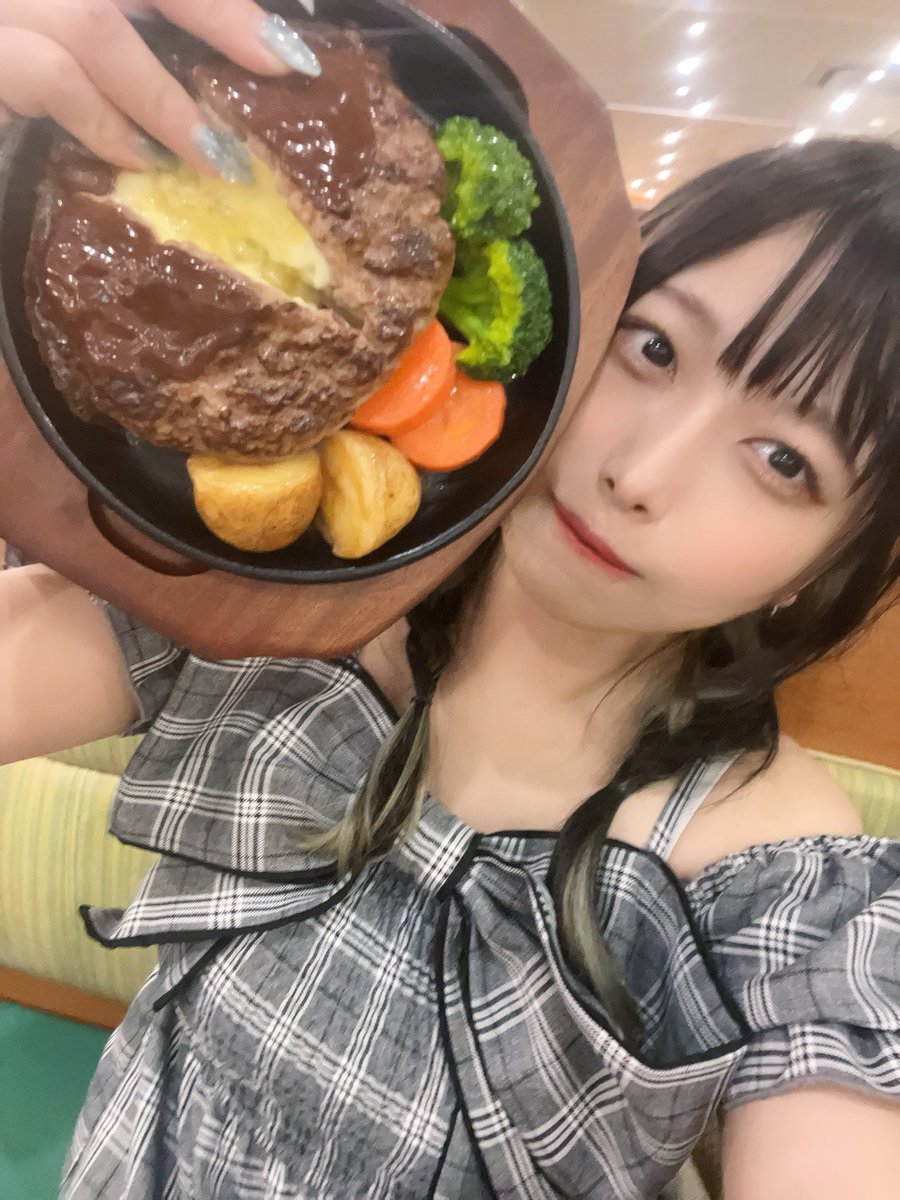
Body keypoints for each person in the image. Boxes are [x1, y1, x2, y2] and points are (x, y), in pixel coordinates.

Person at [1, 2, 898, 1198]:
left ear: (829, 567)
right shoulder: (269, 603)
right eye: (653, 349)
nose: (642, 474)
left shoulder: (787, 886)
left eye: (785, 462)